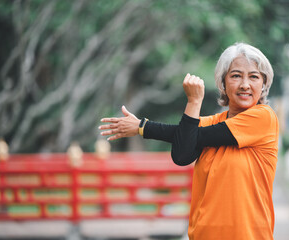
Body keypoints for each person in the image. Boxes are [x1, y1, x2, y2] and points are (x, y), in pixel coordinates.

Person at [99, 42, 279, 240]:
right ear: (223, 83)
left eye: (253, 77)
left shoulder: (264, 118)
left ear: (263, 84)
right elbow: (182, 153)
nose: (245, 84)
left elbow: (197, 135)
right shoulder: (212, 122)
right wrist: (143, 126)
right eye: (236, 75)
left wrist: (145, 126)